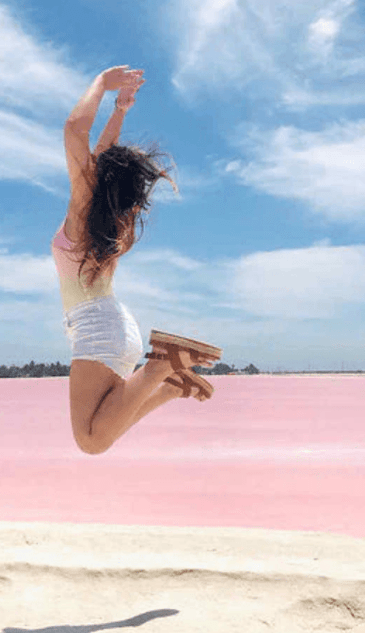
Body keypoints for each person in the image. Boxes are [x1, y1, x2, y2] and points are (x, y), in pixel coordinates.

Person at [52, 65, 222, 455]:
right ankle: (170, 386)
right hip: (111, 327)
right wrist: (120, 110)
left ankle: (163, 366)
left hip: (98, 329)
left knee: (92, 440)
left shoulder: (84, 217)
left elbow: (74, 131)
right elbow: (97, 151)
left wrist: (100, 83)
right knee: (100, 433)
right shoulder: (113, 221)